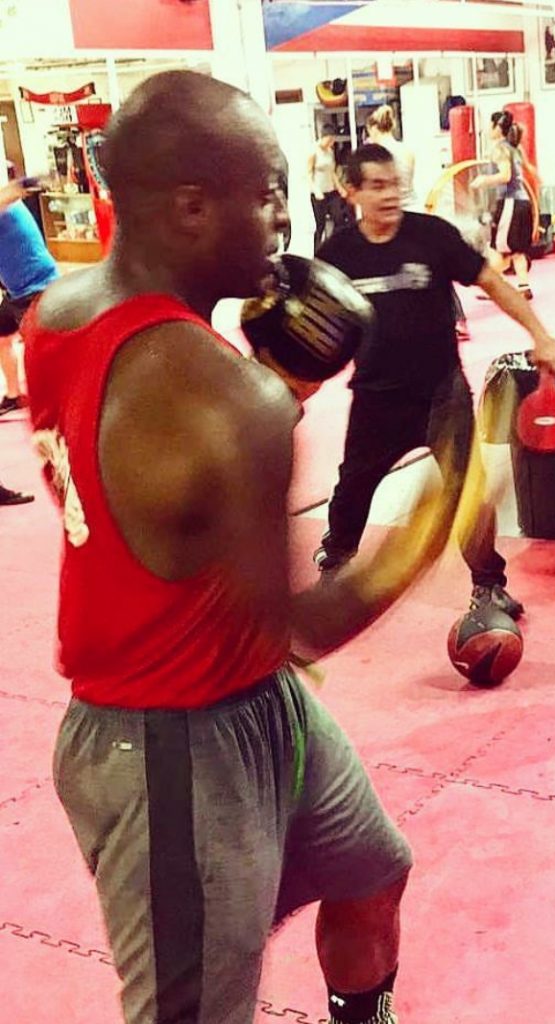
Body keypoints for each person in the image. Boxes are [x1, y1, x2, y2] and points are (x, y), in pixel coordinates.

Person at [22, 70, 460, 1024]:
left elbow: (151, 467)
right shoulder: (227, 401)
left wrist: (271, 384)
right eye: (266, 195)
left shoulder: (53, 313)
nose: (283, 219)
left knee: (371, 871)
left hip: (256, 701)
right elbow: (299, 628)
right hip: (167, 745)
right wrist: (441, 516)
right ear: (190, 208)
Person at [313, 143, 555, 619]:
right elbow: (317, 328)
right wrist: (292, 386)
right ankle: (335, 569)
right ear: (352, 192)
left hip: (441, 394)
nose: (390, 195)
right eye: (377, 186)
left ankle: (488, 585)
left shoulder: (431, 236)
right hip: (376, 398)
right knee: (352, 490)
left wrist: (540, 334)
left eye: (394, 184)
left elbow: (493, 282)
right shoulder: (337, 255)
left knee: (470, 493)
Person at [366, 103, 471, 340]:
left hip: (394, 215)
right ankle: (458, 318)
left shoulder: (377, 153)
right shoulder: (406, 150)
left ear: (374, 128)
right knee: (432, 268)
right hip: (414, 208)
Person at [0, 178, 58, 416]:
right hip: (16, 292)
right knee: (2, 339)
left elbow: (9, 194)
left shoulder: (5, 204)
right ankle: (14, 395)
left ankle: (56, 403)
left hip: (38, 288)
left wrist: (26, 183)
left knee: (41, 350)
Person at [469, 110, 536, 300]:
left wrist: (484, 180)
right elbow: (529, 169)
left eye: (490, 125)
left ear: (497, 127)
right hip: (523, 202)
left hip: (510, 202)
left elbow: (505, 176)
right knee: (516, 249)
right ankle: (523, 286)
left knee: (497, 248)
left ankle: (497, 288)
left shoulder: (500, 149)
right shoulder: (515, 147)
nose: (487, 129)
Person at [307, 122, 348, 252]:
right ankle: (317, 252)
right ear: (324, 137)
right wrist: (316, 190)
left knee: (339, 219)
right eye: (330, 139)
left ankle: (335, 248)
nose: (332, 142)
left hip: (331, 192)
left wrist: (340, 188)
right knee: (320, 225)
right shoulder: (313, 152)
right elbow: (308, 174)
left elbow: (332, 172)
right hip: (319, 193)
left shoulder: (330, 152)